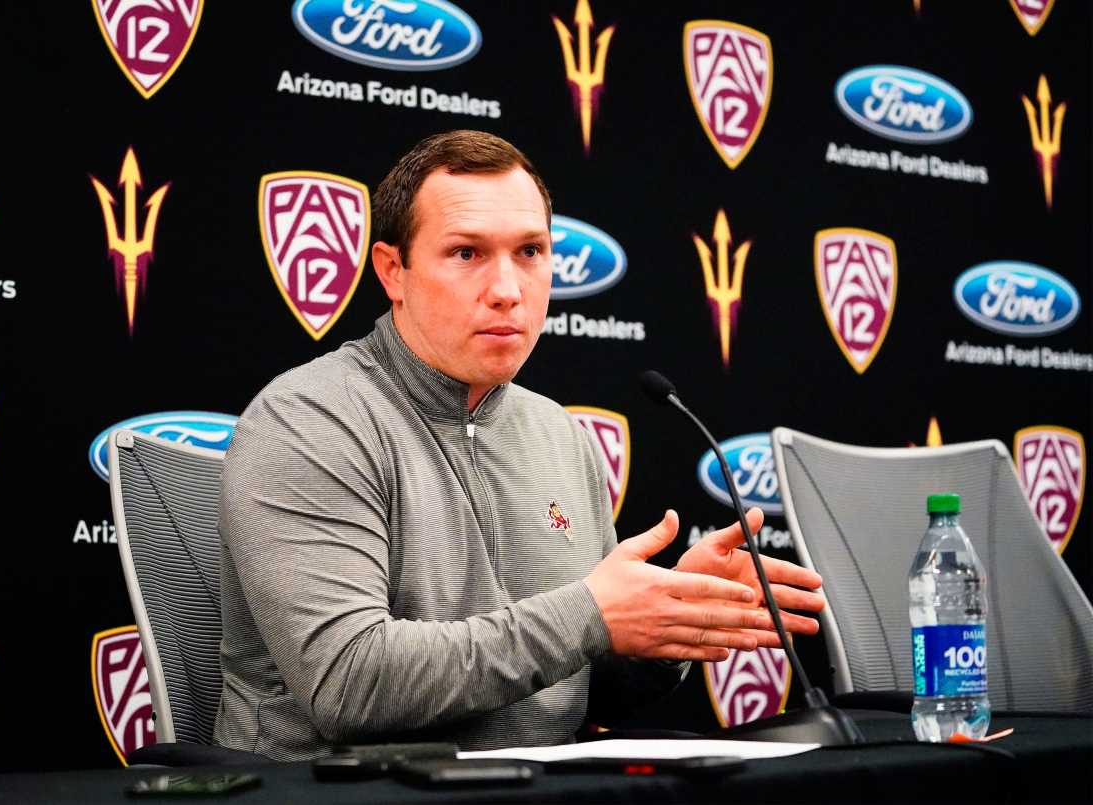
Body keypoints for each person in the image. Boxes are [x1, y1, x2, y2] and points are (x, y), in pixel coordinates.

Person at [214, 130, 825, 760]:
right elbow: (348, 684)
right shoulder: (308, 422)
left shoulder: (559, 435)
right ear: (393, 271)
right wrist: (591, 614)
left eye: (530, 251)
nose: (507, 288)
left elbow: (590, 694)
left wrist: (661, 625)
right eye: (467, 253)